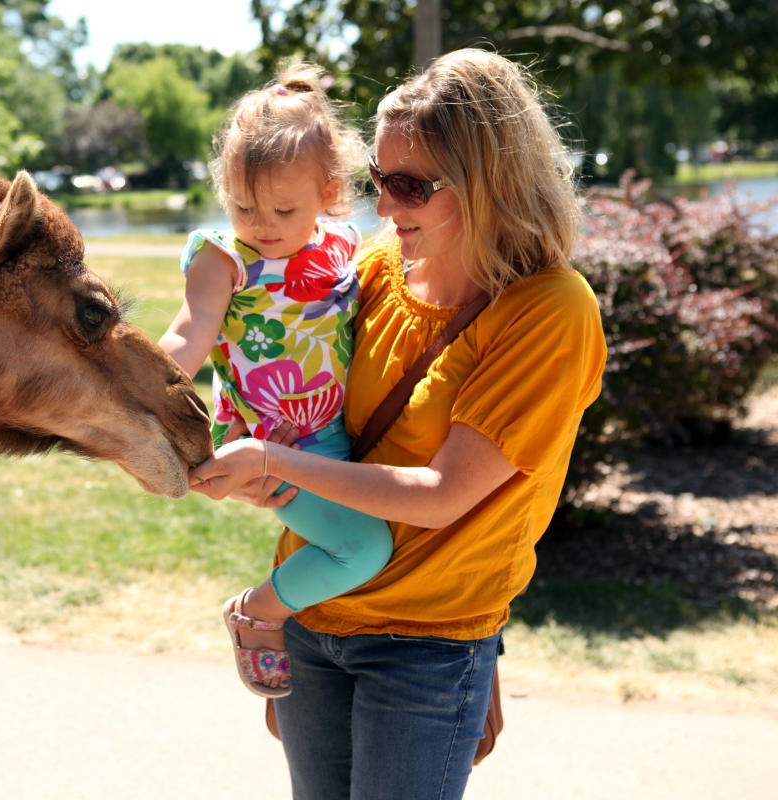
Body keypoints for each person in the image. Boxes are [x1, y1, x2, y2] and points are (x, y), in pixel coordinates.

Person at [189, 48, 608, 799]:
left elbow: (445, 494)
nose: (383, 206)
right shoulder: (372, 272)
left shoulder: (550, 311)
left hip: (428, 649)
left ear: (491, 182)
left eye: (410, 185)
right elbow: (307, 418)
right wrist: (265, 457)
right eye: (380, 179)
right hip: (313, 618)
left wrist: (483, 655)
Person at [158, 64, 393, 698]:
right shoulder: (223, 255)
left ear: (329, 192)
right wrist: (142, 392)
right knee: (365, 548)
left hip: (333, 433)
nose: (261, 222)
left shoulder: (345, 241)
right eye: (242, 204)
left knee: (377, 540)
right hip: (272, 442)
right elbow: (191, 331)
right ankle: (259, 611)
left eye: (284, 208)